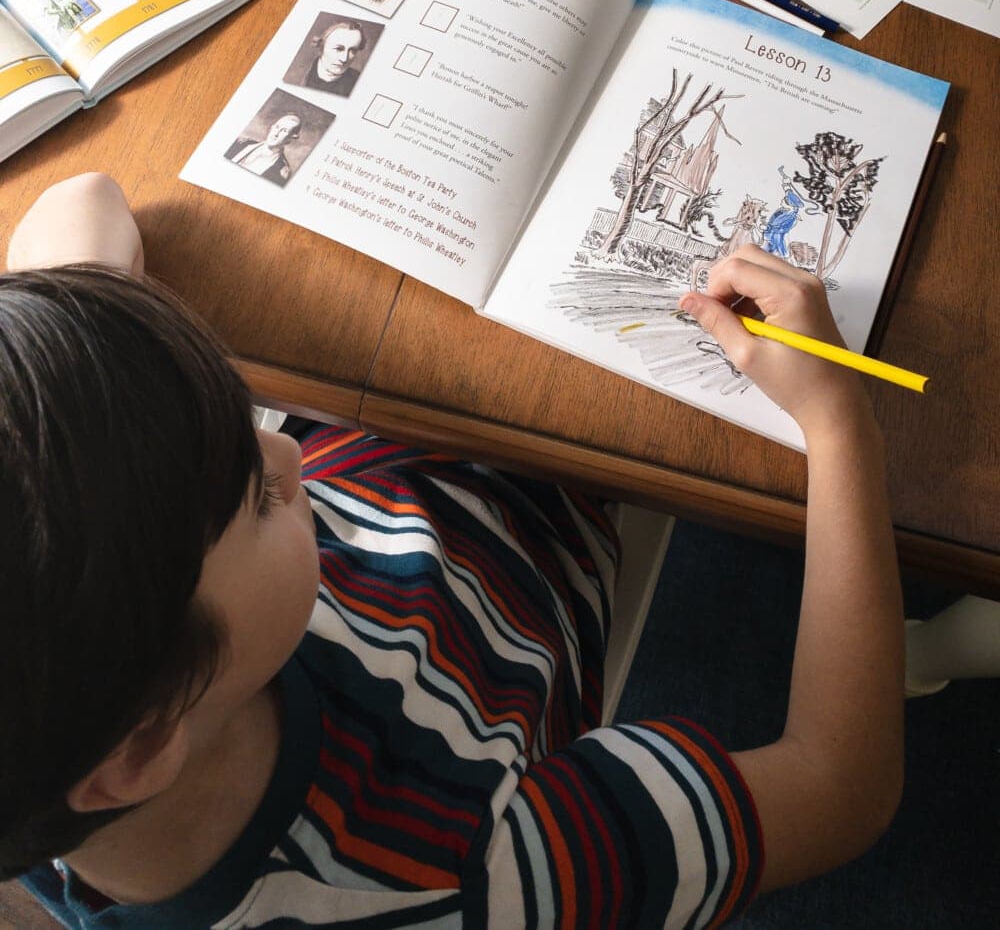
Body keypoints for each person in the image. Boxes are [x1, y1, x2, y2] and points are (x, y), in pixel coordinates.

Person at [3, 175, 903, 926]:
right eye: (253, 490)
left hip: (402, 444)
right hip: (549, 522)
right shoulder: (461, 876)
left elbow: (82, 199)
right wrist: (836, 420)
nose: (283, 448)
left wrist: (89, 343)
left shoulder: (58, 754)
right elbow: (838, 783)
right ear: (144, 744)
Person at [225, 111, 301, 183]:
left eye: (284, 131)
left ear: (290, 139)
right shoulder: (241, 143)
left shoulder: (281, 172)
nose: (276, 133)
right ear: (272, 127)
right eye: (277, 127)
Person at [302, 19, 365, 95]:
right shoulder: (299, 73)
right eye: (338, 49)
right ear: (322, 46)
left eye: (353, 51)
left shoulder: (359, 80)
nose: (344, 59)